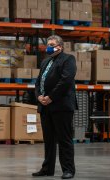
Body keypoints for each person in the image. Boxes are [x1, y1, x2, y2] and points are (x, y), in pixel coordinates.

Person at [33, 35, 77, 179]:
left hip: (61, 106)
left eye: (52, 44)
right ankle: (47, 168)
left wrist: (51, 97)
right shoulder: (46, 61)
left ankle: (68, 169)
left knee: (64, 139)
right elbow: (39, 81)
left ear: (60, 47)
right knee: (49, 140)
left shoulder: (68, 59)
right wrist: (39, 96)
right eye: (48, 44)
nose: (49, 47)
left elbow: (65, 81)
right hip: (45, 106)